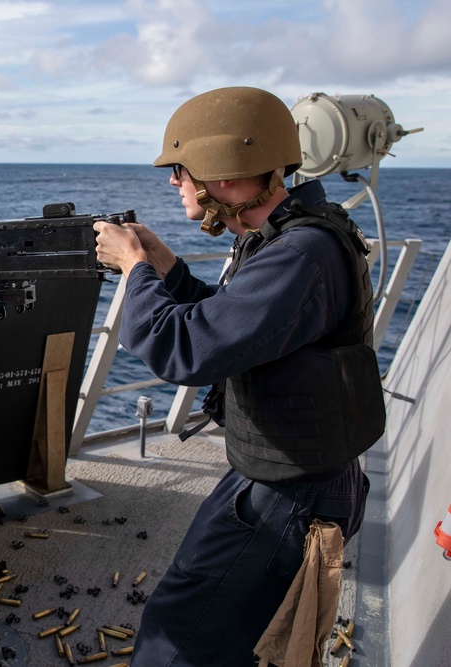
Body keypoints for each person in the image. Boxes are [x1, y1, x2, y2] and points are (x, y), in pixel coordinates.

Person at [92, 86, 383, 665]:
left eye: (180, 169)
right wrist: (168, 272)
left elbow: (188, 348)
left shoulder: (299, 254)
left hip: (290, 492)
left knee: (177, 633)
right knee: (230, 632)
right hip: (283, 471)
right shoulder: (290, 237)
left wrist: (134, 270)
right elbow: (233, 323)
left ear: (221, 173)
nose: (173, 182)